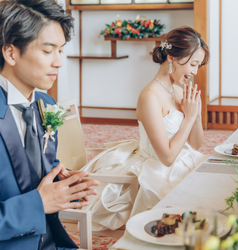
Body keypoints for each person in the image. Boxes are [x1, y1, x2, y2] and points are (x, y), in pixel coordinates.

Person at [81, 26, 210, 231]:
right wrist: (189, 118)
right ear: (173, 58)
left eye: (198, 66)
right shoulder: (149, 96)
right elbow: (166, 158)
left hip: (183, 159)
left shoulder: (177, 91)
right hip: (159, 168)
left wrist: (196, 115)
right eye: (193, 64)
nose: (195, 72)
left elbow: (195, 143)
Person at [0, 1, 100, 249]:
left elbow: (31, 164)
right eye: (47, 51)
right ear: (11, 53)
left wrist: (62, 182)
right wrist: (38, 204)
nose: (58, 62)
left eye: (61, 51)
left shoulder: (46, 103)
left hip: (53, 240)